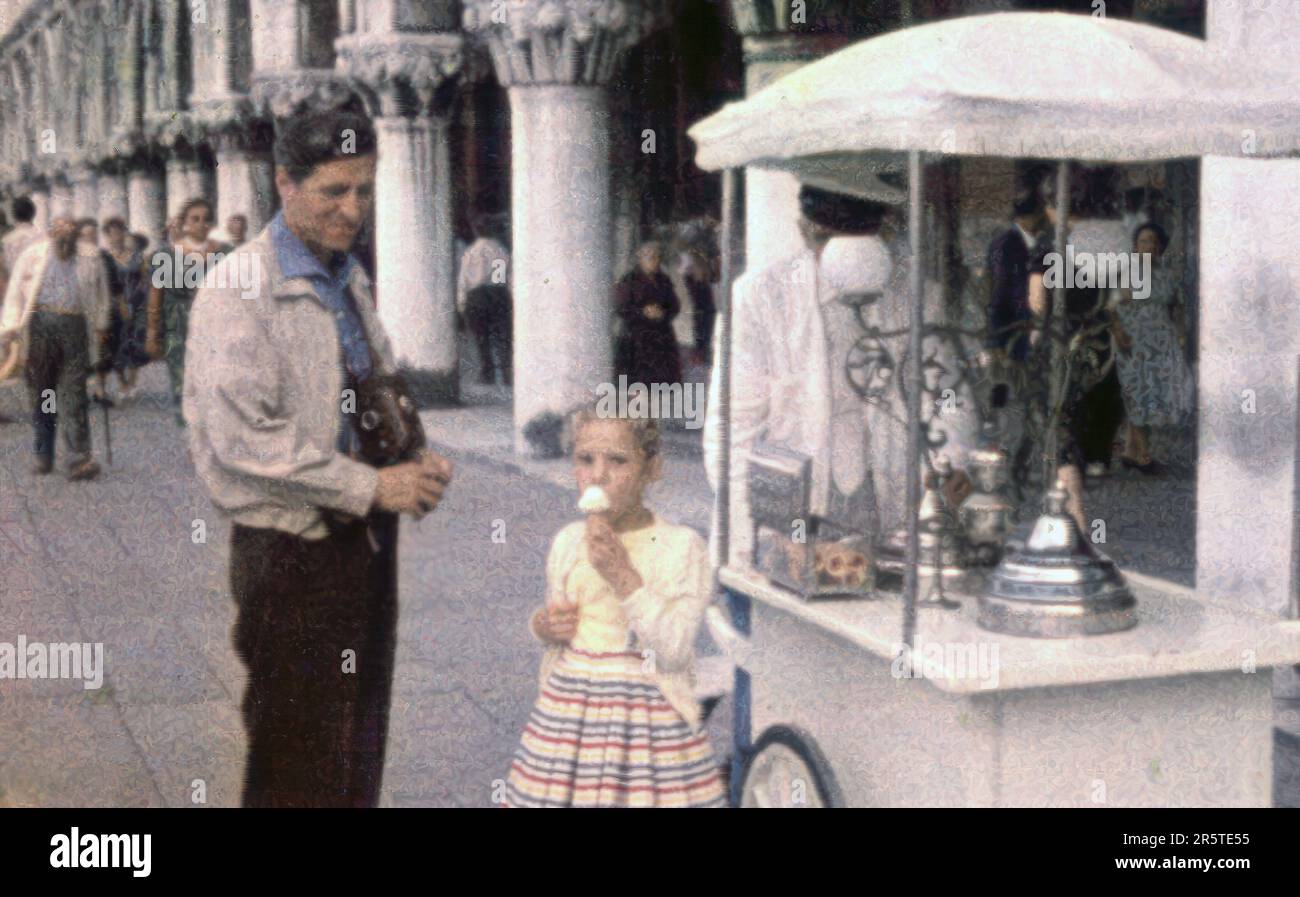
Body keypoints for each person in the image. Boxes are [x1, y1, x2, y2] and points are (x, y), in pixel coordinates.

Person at [185, 109, 455, 808]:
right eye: (334, 191)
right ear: (283, 183)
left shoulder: (348, 276)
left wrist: (412, 453)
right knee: (295, 756)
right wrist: (371, 484)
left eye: (364, 190)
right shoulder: (237, 287)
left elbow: (375, 374)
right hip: (291, 556)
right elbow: (243, 440)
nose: (353, 208)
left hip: (361, 543)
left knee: (356, 742)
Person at [501, 407, 726, 808]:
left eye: (617, 461)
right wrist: (543, 626)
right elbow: (557, 624)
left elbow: (673, 652)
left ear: (651, 468)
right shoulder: (568, 542)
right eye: (585, 460)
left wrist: (623, 576)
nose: (598, 475)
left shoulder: (681, 546)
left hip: (649, 720)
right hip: (569, 719)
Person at [703, 185, 887, 565]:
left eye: (856, 241)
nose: (839, 255)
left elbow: (943, 406)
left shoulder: (910, 295)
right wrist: (749, 535)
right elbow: (733, 428)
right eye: (826, 239)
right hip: (787, 500)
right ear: (805, 231)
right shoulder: (759, 297)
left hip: (874, 493)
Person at [0, 217, 110, 479]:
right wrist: (9, 327)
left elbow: (101, 294)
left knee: (74, 393)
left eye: (70, 229)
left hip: (75, 326)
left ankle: (78, 457)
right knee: (45, 392)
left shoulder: (90, 256)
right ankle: (44, 452)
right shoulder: (33, 255)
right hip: (40, 327)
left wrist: (102, 326)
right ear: (50, 232)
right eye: (60, 229)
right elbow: (16, 293)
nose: (65, 234)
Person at [1112, 222, 1193, 473]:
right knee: (1136, 394)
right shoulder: (1127, 272)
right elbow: (1112, 307)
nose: (1150, 246)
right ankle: (1145, 457)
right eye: (1145, 241)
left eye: (1155, 242)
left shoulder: (1165, 273)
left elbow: (1175, 306)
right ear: (1136, 245)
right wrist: (1119, 332)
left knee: (1151, 395)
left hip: (1161, 341)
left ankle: (1129, 451)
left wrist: (1181, 334)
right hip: (1133, 340)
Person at [146, 198, 232, 425]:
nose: (201, 224)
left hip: (216, 325)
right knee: (183, 383)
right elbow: (156, 295)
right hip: (179, 326)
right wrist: (153, 333)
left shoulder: (225, 253)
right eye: (195, 219)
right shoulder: (167, 255)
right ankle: (193, 434)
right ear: (184, 222)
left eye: (206, 219)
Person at [614, 240, 682, 388]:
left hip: (661, 338)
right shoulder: (629, 280)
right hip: (637, 339)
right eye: (651, 257)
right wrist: (643, 312)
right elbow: (621, 308)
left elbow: (675, 305)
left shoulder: (664, 280)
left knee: (663, 388)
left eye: (657, 257)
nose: (655, 261)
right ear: (641, 258)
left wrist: (662, 312)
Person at [456, 214, 513, 386]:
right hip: (497, 294)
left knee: (482, 338)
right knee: (502, 337)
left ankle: (487, 373)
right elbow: (502, 276)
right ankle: (505, 373)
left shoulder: (470, 252)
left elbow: (463, 280)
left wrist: (461, 302)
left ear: (476, 230)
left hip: (476, 296)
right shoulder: (499, 250)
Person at [76, 219, 125, 405]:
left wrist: (119, 306)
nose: (92, 238)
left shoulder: (103, 256)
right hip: (78, 313)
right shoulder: (72, 255)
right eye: (88, 235)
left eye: (95, 234)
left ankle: (100, 390)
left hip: (100, 310)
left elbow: (115, 285)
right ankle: (79, 392)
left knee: (102, 354)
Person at [103, 218, 151, 401]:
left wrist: (142, 299)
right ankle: (121, 381)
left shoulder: (136, 256)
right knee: (115, 345)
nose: (117, 236)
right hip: (113, 306)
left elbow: (145, 279)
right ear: (107, 236)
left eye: (120, 232)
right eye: (113, 233)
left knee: (135, 343)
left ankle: (132, 382)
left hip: (136, 304)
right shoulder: (105, 257)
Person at [678, 248, 716, 367]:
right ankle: (699, 355)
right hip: (698, 318)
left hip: (705, 316)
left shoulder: (704, 285)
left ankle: (701, 354)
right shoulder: (692, 282)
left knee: (703, 331)